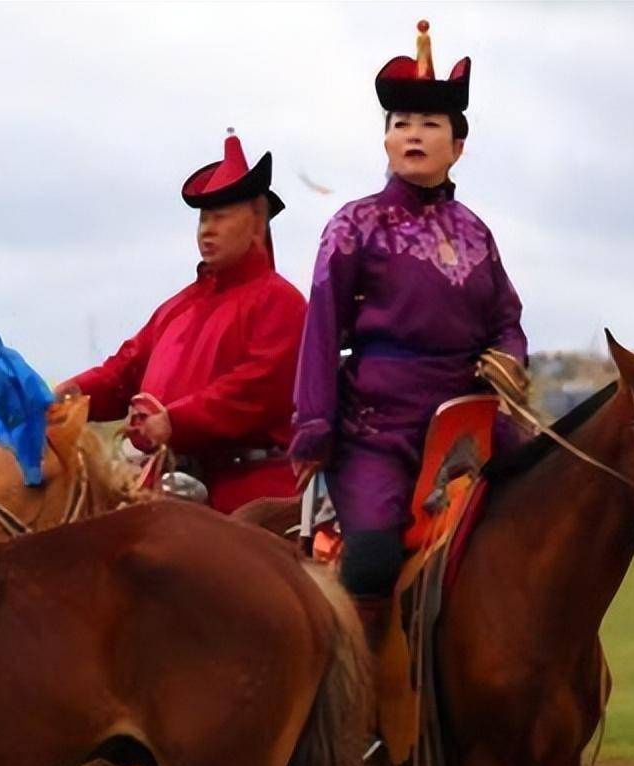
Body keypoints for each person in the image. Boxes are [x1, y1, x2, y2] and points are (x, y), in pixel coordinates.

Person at [290, 21, 528, 611]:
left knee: (541, 524)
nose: (413, 135)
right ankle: (358, 691)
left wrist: (509, 358)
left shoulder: (476, 233)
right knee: (371, 561)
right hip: (378, 425)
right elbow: (320, 330)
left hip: (468, 421)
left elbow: (506, 317)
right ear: (387, 141)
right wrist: (313, 427)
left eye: (429, 124)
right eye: (401, 125)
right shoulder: (354, 225)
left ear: (458, 145)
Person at [56, 129, 307, 513]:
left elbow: (254, 390)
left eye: (220, 216)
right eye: (204, 218)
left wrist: (176, 421)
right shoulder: (177, 307)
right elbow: (124, 371)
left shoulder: (282, 302)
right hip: (167, 486)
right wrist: (71, 394)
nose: (207, 228)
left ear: (257, 221)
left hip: (250, 490)